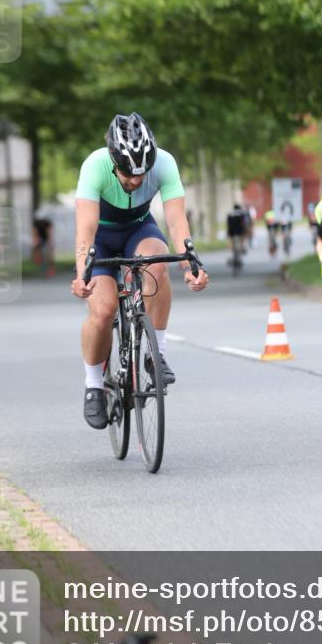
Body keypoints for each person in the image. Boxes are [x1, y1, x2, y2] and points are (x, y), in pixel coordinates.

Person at [71, 113, 209, 429]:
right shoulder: (94, 166)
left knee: (156, 266)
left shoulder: (164, 164)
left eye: (140, 174)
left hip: (138, 229)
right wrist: (83, 275)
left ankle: (155, 355)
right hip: (101, 239)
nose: (134, 180)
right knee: (103, 310)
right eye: (126, 174)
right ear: (112, 161)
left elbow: (176, 220)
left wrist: (192, 265)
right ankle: (94, 384)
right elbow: (86, 228)